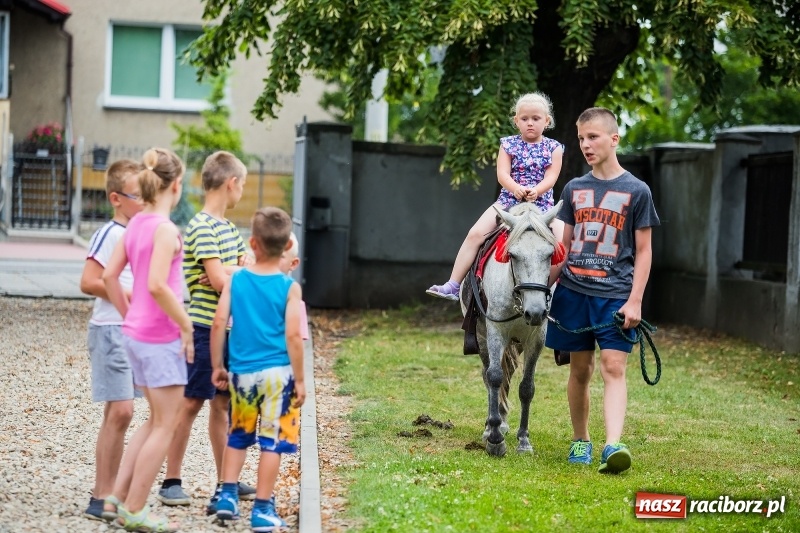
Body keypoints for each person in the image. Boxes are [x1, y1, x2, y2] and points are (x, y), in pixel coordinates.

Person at [545, 107, 660, 474]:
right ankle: (581, 440)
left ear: (614, 139)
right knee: (580, 370)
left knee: (613, 366)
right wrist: (539, 288)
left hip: (615, 295)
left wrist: (635, 300)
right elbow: (561, 249)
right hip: (573, 292)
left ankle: (613, 445)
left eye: (592, 137)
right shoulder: (574, 189)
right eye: (581, 138)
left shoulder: (637, 191)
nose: (585, 145)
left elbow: (644, 251)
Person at [157, 150, 256, 513]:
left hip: (230, 328)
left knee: (222, 404)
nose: (242, 191)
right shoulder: (201, 226)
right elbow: (218, 282)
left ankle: (224, 480)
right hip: (203, 328)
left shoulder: (230, 229)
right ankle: (171, 480)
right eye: (242, 185)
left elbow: (247, 270)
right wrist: (232, 271)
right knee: (191, 401)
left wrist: (229, 270)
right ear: (231, 183)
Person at [102, 147, 194, 531]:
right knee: (166, 424)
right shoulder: (165, 230)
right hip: (160, 339)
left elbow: (110, 277)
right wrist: (186, 326)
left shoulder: (136, 222)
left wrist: (131, 317)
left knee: (154, 420)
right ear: (176, 185)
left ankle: (116, 499)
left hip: (136, 335)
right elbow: (157, 284)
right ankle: (136, 509)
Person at [210, 206, 306, 531]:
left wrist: (217, 366)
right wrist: (301, 380)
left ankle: (227, 495)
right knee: (273, 441)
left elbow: (219, 322)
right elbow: (294, 335)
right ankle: (263, 509)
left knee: (237, 435)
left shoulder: (236, 280)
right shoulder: (290, 288)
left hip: (242, 373)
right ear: (286, 248)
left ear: (252, 244)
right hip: (278, 375)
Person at [427, 92, 565, 300]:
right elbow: (502, 174)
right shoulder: (508, 144)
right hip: (508, 202)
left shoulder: (554, 148)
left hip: (542, 206)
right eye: (524, 119)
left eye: (536, 119)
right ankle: (453, 284)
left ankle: (555, 291)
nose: (530, 123)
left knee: (566, 243)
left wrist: (537, 190)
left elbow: (552, 177)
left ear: (547, 121)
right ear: (516, 121)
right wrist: (515, 187)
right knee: (475, 234)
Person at [79, 159, 144, 521]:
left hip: (129, 332)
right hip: (109, 330)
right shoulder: (110, 234)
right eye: (139, 196)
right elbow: (89, 281)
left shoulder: (134, 234)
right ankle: (103, 494)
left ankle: (104, 492)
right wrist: (137, 296)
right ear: (117, 198)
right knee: (122, 410)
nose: (146, 202)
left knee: (117, 414)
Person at [280, 232, 310, 342]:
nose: (271, 261)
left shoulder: (295, 302)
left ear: (293, 264)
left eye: (280, 256)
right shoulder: (249, 293)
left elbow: (296, 340)